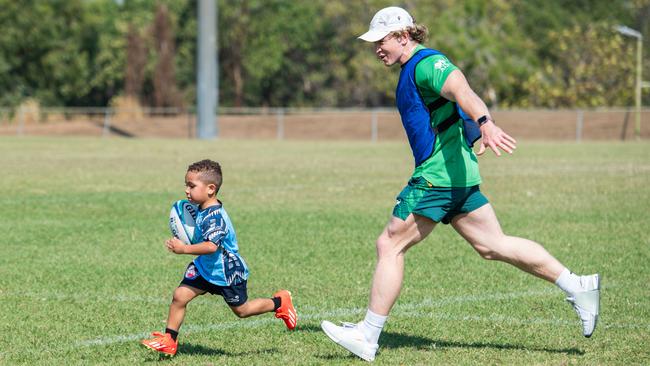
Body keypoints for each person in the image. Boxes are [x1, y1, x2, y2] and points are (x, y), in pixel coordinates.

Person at [320, 6, 600, 362]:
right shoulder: (412, 69)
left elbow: (459, 87)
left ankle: (367, 335)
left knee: (389, 243)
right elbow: (450, 105)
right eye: (373, 42)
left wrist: (485, 121)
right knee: (493, 245)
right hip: (458, 176)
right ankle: (578, 285)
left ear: (404, 36)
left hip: (437, 177)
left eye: (382, 40)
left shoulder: (426, 63)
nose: (377, 48)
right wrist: (472, 130)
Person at [141, 159, 297, 357]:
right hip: (204, 268)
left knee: (242, 310)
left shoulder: (215, 217)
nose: (186, 190)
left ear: (210, 189)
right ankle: (170, 340)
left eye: (191, 186)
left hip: (226, 272)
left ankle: (279, 302)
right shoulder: (199, 207)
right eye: (186, 185)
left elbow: (211, 246)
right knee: (180, 296)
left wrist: (184, 248)